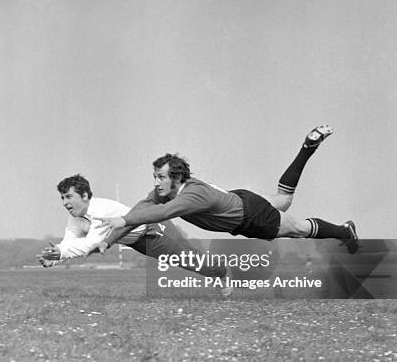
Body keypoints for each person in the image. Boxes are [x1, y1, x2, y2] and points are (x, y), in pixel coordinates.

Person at [97, 125, 359, 254]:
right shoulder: (166, 193)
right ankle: (306, 150)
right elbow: (141, 212)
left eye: (160, 177)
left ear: (176, 178)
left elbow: (161, 214)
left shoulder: (190, 196)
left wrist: (123, 219)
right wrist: (109, 240)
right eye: (154, 177)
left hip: (249, 217)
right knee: (283, 199)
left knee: (300, 230)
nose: (155, 183)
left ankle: (344, 231)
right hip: (240, 200)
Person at [36, 174, 234, 296]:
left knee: (190, 261)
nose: (65, 202)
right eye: (62, 198)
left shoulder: (100, 210)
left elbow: (89, 244)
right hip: (136, 241)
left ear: (85, 196)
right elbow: (70, 242)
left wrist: (60, 253)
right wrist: (53, 258)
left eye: (69, 196)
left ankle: (223, 271)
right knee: (192, 257)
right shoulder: (76, 218)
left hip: (152, 231)